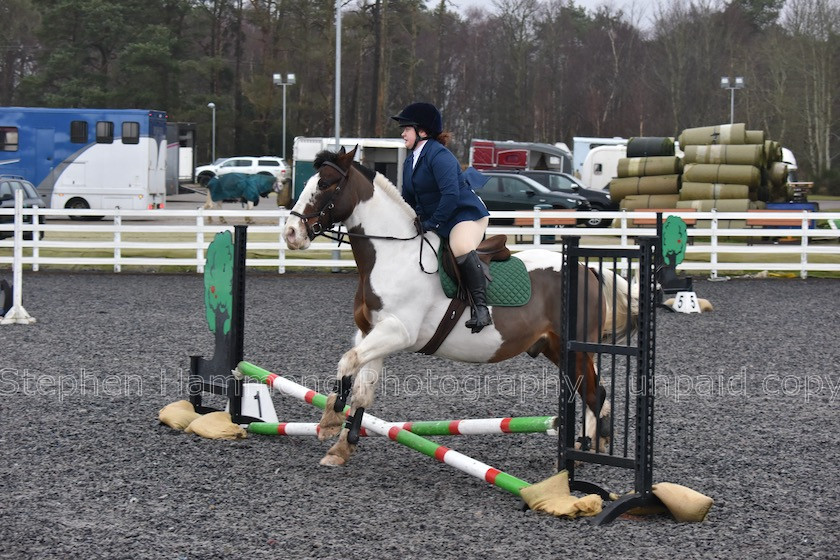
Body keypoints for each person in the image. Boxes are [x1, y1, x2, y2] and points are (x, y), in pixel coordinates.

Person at [391, 102, 492, 333]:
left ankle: (481, 309)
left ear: (422, 131)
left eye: (406, 128)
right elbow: (407, 199)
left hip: (464, 215)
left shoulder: (439, 156)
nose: (402, 133)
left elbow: (451, 195)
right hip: (442, 216)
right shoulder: (410, 161)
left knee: (460, 246)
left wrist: (432, 223)